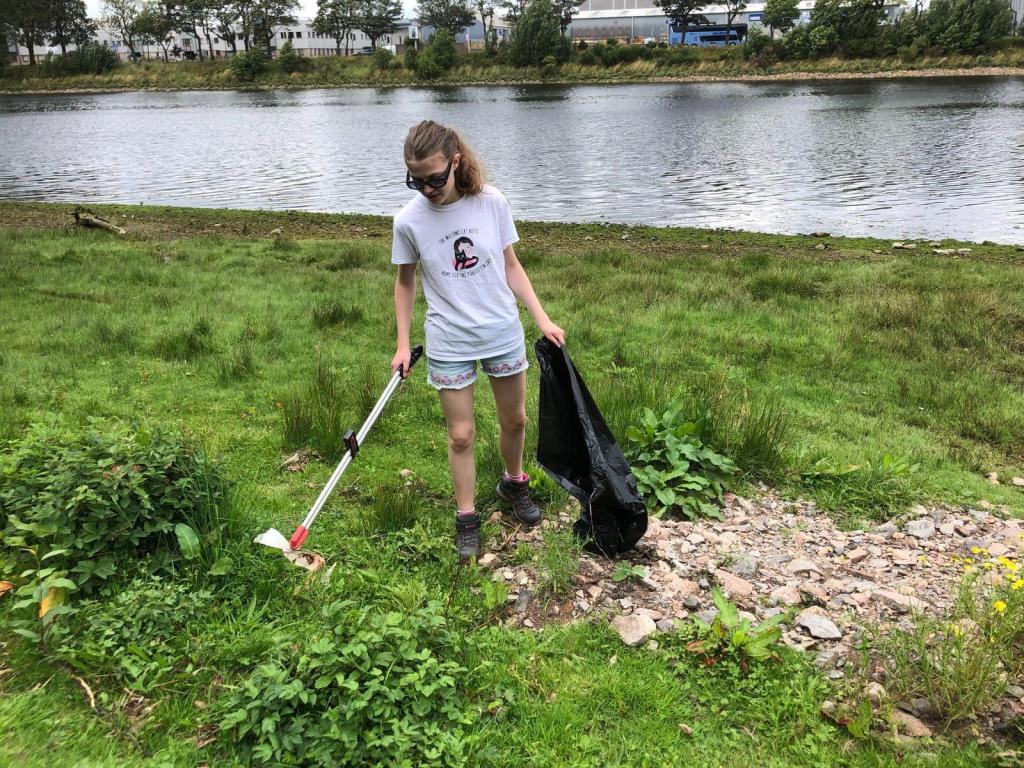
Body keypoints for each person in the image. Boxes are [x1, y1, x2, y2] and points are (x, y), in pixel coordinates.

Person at [391, 120, 565, 563]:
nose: (428, 189)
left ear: (455, 162)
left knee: (516, 421)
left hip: (501, 330)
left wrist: (541, 317)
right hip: (449, 338)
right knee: (462, 434)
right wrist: (401, 342)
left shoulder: (492, 202)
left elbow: (511, 265)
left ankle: (513, 483)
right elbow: (405, 283)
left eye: (435, 178)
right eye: (417, 180)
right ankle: (466, 516)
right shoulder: (408, 221)